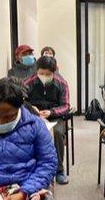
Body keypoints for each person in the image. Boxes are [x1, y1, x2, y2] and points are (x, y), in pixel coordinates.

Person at [24, 56, 70, 185]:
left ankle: (59, 170)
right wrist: (31, 109)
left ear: (54, 72)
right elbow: (20, 98)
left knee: (57, 133)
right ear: (37, 71)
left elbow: (66, 106)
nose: (44, 76)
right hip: (34, 115)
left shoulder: (62, 83)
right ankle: (31, 169)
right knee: (27, 133)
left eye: (48, 74)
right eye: (41, 73)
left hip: (54, 117)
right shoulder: (30, 82)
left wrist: (52, 112)